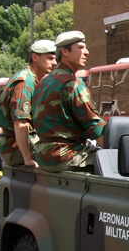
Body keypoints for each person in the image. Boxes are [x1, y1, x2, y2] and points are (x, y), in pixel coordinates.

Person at [33, 31, 107, 171]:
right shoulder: (72, 85)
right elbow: (95, 127)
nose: (87, 52)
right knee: (114, 161)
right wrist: (115, 153)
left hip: (43, 156)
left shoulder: (43, 82)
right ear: (65, 52)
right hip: (66, 156)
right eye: (81, 47)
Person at [0, 38, 57, 167]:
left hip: (21, 144)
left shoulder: (33, 80)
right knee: (61, 155)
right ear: (34, 57)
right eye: (50, 58)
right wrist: (27, 159)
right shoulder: (25, 83)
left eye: (55, 59)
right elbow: (21, 123)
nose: (54, 63)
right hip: (14, 149)